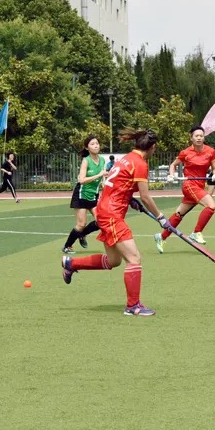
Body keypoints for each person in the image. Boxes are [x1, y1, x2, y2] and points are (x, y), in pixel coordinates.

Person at [61, 128, 172, 316]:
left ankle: (72, 264)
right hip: (112, 214)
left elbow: (119, 184)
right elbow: (146, 197)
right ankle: (133, 306)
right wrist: (161, 218)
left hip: (105, 210)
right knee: (134, 259)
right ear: (152, 147)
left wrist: (129, 198)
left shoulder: (127, 158)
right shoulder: (140, 163)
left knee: (113, 261)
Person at [154, 126, 215, 253]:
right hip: (189, 185)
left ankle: (161, 237)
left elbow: (214, 167)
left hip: (200, 186)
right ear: (191, 138)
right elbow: (173, 165)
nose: (199, 138)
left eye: (201, 136)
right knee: (211, 206)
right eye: (196, 136)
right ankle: (197, 232)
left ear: (204, 137)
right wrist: (171, 175)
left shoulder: (210, 151)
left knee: (179, 214)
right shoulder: (185, 152)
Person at [62, 136, 107, 254]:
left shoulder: (102, 160)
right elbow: (81, 180)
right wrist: (99, 175)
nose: (96, 145)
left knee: (101, 221)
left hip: (94, 196)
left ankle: (82, 235)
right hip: (81, 195)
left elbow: (102, 177)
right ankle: (67, 246)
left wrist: (103, 183)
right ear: (87, 148)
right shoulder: (86, 161)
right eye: (92, 144)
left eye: (97, 143)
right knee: (81, 224)